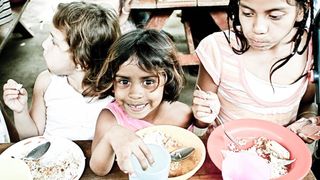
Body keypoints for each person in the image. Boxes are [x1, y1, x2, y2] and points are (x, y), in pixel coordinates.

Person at [192, 0, 317, 143]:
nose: (258, 28)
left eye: (275, 16)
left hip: (279, 159)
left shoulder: (311, 51)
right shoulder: (217, 49)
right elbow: (200, 121)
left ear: (301, 10)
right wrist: (203, 114)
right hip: (223, 150)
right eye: (247, 13)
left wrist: (307, 121)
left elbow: (307, 103)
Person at [2, 1, 121, 140]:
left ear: (81, 62)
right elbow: (32, 137)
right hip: (53, 159)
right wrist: (20, 111)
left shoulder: (116, 92)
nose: (44, 44)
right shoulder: (45, 82)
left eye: (54, 42)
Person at [89, 29, 193, 176]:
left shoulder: (182, 114)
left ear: (167, 79)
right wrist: (111, 135)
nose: (135, 94)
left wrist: (203, 122)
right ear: (112, 82)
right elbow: (98, 170)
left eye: (148, 81)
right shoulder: (110, 119)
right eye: (124, 81)